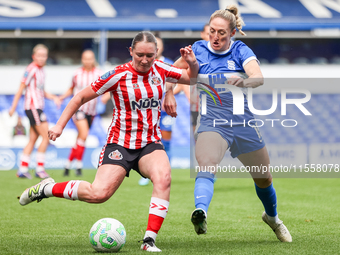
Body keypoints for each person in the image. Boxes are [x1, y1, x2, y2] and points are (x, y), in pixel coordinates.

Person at [18, 31, 198, 252]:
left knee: (164, 178)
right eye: (139, 54)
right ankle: (47, 188)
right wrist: (59, 126)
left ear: (156, 54)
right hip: (120, 144)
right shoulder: (117, 75)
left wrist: (192, 63)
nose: (144, 60)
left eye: (149, 55)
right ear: (131, 52)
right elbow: (80, 97)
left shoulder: (161, 70)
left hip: (150, 143)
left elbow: (192, 78)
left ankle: (148, 240)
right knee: (98, 194)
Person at [166, 5, 292, 242]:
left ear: (232, 33)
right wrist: (168, 93)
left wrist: (244, 83)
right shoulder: (199, 49)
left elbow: (258, 77)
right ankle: (201, 211)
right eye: (212, 31)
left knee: (264, 178)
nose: (215, 36)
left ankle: (273, 218)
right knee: (207, 164)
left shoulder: (241, 50)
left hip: (243, 123)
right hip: (213, 122)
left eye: (221, 32)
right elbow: (171, 71)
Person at [9, 44, 60, 179]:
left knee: (33, 139)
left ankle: (22, 169)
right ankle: (40, 169)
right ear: (33, 56)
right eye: (39, 55)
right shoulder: (31, 69)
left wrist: (54, 97)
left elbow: (41, 91)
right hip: (33, 108)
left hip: (37, 108)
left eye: (44, 56)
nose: (42, 58)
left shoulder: (42, 71)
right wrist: (13, 107)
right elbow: (21, 88)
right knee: (46, 137)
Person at [138, 32, 177, 186]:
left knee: (165, 141)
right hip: (147, 109)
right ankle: (146, 173)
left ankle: (165, 171)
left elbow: (177, 83)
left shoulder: (168, 63)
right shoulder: (142, 63)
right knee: (147, 141)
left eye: (159, 45)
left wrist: (168, 94)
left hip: (165, 109)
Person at [59, 49, 102, 177]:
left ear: (93, 59)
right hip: (79, 109)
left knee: (80, 139)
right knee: (84, 134)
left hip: (92, 111)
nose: (88, 61)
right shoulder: (77, 74)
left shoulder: (99, 74)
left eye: (90, 58)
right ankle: (79, 166)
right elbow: (71, 89)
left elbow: (105, 89)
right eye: (85, 58)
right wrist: (61, 97)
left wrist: (105, 97)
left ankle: (67, 166)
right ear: (82, 59)